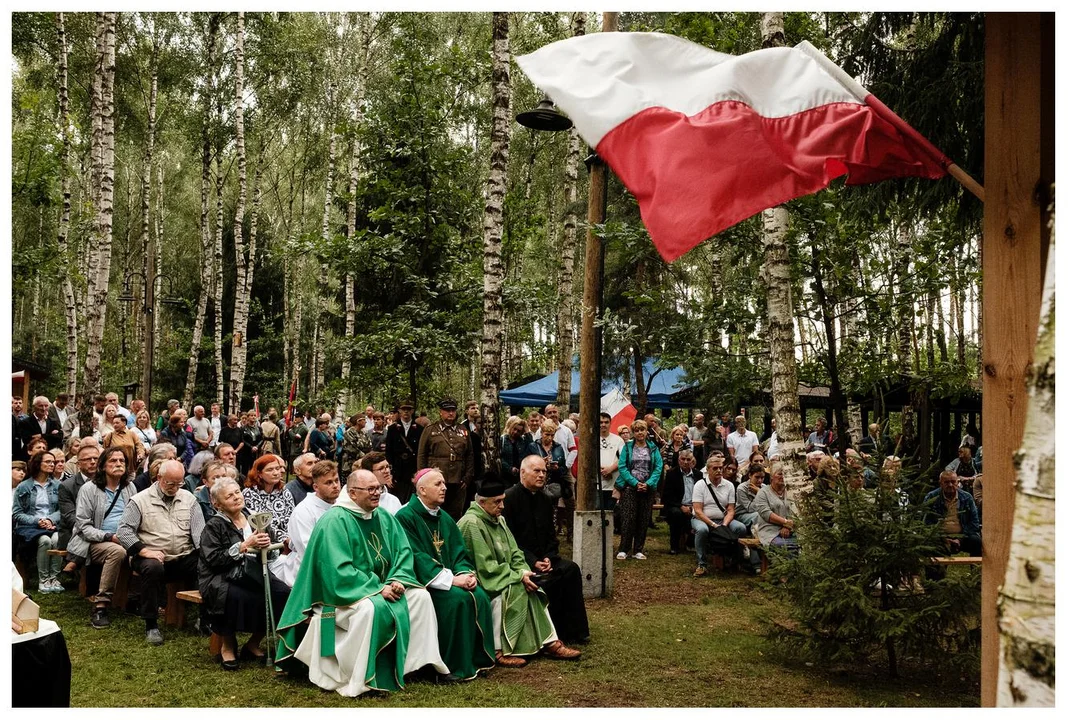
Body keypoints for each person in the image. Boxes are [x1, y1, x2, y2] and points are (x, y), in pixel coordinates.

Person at [274, 468, 449, 696]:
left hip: (382, 586)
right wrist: (378, 588)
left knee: (420, 597)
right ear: (353, 493)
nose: (377, 493)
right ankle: (362, 676)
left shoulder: (382, 516)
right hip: (338, 597)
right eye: (371, 489)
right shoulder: (335, 521)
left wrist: (397, 580)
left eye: (378, 488)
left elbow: (403, 552)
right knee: (370, 608)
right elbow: (337, 571)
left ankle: (418, 664)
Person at [458, 478, 582, 666]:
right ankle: (499, 650)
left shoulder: (498, 519)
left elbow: (515, 551)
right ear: (481, 502)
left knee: (533, 588)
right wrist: (517, 576)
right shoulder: (471, 523)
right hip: (479, 578)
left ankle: (550, 641)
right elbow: (485, 565)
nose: (502, 506)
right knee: (513, 591)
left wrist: (523, 570)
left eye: (503, 500)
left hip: (504, 574)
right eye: (497, 502)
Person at [395, 469, 495, 680]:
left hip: (450, 579)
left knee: (480, 596)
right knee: (457, 601)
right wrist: (450, 580)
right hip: (425, 583)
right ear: (421, 490)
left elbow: (459, 552)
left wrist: (466, 574)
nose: (444, 487)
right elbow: (414, 556)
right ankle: (449, 665)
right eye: (438, 484)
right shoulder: (404, 517)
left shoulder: (444, 517)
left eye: (443, 483)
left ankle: (476, 661)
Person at [198, 477, 290, 670]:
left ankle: (253, 643)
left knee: (282, 593)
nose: (236, 498)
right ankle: (228, 646)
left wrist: (268, 546)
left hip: (253, 573)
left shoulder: (255, 518)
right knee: (232, 596)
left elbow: (272, 555)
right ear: (217, 503)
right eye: (229, 496)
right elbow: (214, 559)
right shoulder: (214, 525)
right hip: (221, 576)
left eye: (237, 492)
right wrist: (243, 546)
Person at [503, 456, 590, 645]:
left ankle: (574, 631)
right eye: (537, 471)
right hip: (521, 560)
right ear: (522, 472)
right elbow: (509, 540)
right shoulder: (508, 499)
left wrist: (549, 557)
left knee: (571, 569)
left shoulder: (545, 499)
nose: (542, 475)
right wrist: (533, 560)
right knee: (545, 581)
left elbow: (551, 536)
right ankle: (549, 633)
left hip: (545, 558)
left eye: (544, 471)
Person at [117, 459, 205, 645]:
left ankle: (204, 618)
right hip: (150, 556)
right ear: (159, 478)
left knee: (206, 563)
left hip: (182, 555)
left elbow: (199, 532)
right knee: (153, 567)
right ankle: (151, 624)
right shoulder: (139, 500)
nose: (174, 487)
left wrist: (204, 554)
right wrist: (143, 550)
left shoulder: (189, 499)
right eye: (170, 483)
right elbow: (124, 531)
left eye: (179, 483)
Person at [67, 446, 135, 628]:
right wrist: (109, 536)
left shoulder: (130, 487)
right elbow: (83, 526)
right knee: (117, 552)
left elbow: (138, 516)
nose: (118, 464)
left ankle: (139, 599)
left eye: (122, 461)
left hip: (126, 538)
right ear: (103, 466)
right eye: (113, 461)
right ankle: (101, 606)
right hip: (95, 541)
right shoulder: (90, 489)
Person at [274, 459, 341, 587]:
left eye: (336, 480)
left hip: (339, 567)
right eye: (328, 482)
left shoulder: (342, 505)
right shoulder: (304, 511)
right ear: (316, 487)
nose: (335, 486)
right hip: (309, 575)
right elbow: (309, 551)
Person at [12, 451, 64, 593]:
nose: (52, 464)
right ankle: (44, 580)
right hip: (30, 527)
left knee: (57, 538)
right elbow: (17, 513)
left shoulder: (57, 485)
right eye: (48, 461)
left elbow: (61, 510)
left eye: (53, 462)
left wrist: (49, 519)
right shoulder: (24, 486)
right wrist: (38, 521)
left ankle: (55, 578)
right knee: (45, 541)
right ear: (37, 464)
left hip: (51, 524)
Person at [417, 398, 474, 520]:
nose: (451, 413)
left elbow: (469, 455)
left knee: (456, 514)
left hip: (458, 480)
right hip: (436, 478)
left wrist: (468, 477)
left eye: (453, 410)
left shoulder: (463, 430)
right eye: (447, 410)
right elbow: (422, 455)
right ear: (440, 412)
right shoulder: (431, 429)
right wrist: (422, 477)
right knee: (435, 511)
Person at [691, 454, 747, 577]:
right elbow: (698, 510)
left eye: (720, 468)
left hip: (723, 518)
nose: (718, 471)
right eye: (715, 468)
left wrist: (724, 525)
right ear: (707, 470)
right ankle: (702, 564)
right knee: (702, 530)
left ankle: (734, 560)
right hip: (702, 519)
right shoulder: (700, 485)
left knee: (740, 527)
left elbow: (731, 509)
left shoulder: (729, 485)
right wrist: (713, 525)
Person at [614, 419, 663, 561]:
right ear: (633, 433)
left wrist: (649, 483)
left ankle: (638, 549)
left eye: (642, 429)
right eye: (636, 430)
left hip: (648, 487)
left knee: (643, 519)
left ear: (646, 431)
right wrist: (635, 483)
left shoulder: (653, 448)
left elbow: (658, 467)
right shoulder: (628, 447)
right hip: (631, 487)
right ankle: (624, 549)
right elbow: (622, 466)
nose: (640, 433)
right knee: (628, 518)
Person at [924, 470, 981, 556]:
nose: (950, 485)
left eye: (953, 482)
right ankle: (938, 569)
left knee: (977, 542)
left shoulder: (967, 497)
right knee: (930, 545)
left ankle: (976, 568)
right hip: (939, 537)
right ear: (940, 483)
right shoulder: (931, 497)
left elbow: (974, 523)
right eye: (946, 482)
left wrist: (959, 539)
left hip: (963, 536)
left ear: (957, 482)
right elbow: (927, 523)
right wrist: (944, 538)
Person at [242, 454, 295, 539]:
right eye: (270, 470)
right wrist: (286, 540)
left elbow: (292, 518)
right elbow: (262, 526)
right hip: (266, 542)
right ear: (259, 474)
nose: (276, 473)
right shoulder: (250, 494)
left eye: (277, 468)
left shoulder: (284, 492)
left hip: (291, 540)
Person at [661, 449, 701, 555]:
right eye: (683, 459)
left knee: (703, 513)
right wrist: (681, 506)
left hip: (695, 506)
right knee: (676, 514)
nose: (685, 462)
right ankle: (674, 546)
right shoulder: (671, 474)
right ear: (679, 460)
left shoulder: (698, 475)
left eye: (688, 459)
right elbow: (667, 496)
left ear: (692, 461)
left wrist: (693, 507)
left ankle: (692, 543)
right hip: (677, 506)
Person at [384, 399, 422, 503]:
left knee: (411, 500)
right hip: (397, 470)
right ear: (399, 411)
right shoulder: (392, 429)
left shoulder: (419, 429)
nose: (406, 412)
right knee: (396, 499)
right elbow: (389, 451)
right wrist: (390, 473)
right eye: (403, 409)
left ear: (413, 411)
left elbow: (421, 452)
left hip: (412, 471)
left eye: (409, 409)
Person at [754, 463, 798, 552]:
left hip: (792, 529)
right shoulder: (763, 493)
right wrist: (785, 522)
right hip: (770, 531)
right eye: (780, 474)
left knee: (803, 544)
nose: (783, 476)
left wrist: (788, 526)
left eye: (785, 474)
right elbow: (766, 514)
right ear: (771, 477)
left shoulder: (791, 491)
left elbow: (798, 510)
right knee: (786, 546)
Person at [597, 413, 624, 511]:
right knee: (597, 511)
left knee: (611, 512)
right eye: (600, 422)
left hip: (613, 483)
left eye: (606, 422)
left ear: (610, 423)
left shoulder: (618, 440)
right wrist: (601, 470)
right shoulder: (592, 439)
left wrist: (610, 469)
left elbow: (623, 458)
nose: (603, 425)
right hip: (596, 483)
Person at [500, 415, 533, 487]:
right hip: (506, 477)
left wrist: (527, 432)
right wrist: (510, 469)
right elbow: (499, 458)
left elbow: (532, 448)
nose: (515, 432)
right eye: (514, 429)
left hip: (519, 476)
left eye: (518, 431)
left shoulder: (522, 441)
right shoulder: (502, 440)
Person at [735, 462, 766, 532]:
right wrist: (759, 494)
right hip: (742, 514)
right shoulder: (742, 488)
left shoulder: (764, 487)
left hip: (759, 512)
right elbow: (750, 508)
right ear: (750, 475)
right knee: (758, 515)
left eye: (762, 478)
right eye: (757, 477)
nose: (759, 480)